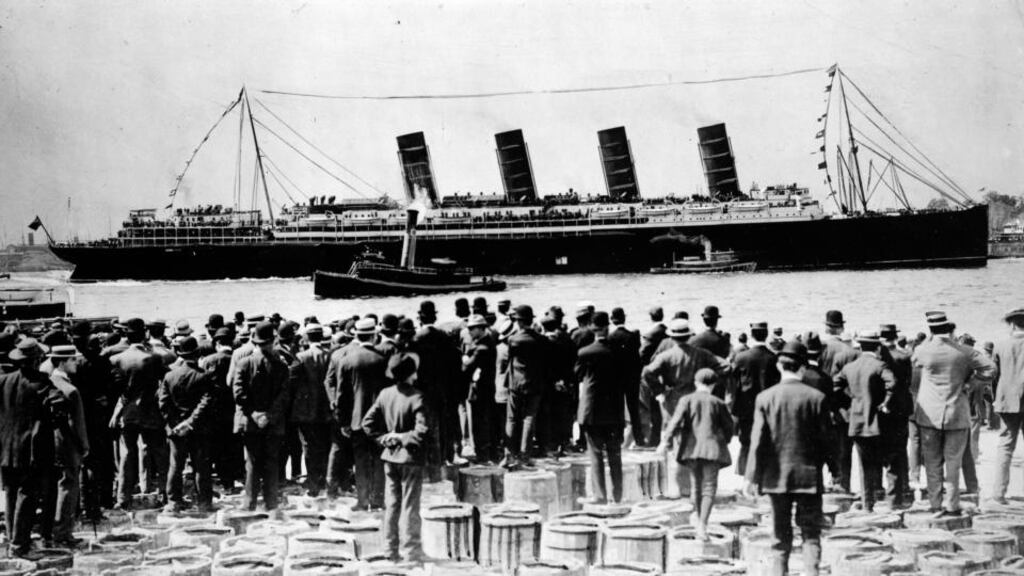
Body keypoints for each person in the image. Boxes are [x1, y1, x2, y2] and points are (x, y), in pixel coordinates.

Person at [745, 341, 834, 576]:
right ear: (803, 368)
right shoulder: (817, 398)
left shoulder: (765, 398)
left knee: (779, 536)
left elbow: (758, 442)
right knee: (811, 534)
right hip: (809, 477)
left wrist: (751, 477)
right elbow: (827, 441)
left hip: (776, 477)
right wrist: (835, 470)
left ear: (778, 365)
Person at [911, 311, 994, 516]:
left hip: (928, 413)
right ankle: (952, 504)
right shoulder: (964, 351)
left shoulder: (922, 350)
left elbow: (914, 368)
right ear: (949, 328)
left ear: (930, 329)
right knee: (953, 463)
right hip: (957, 412)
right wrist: (972, 382)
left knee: (932, 462)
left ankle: (934, 503)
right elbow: (990, 369)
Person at [362, 352, 431, 562]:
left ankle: (390, 550)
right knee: (410, 506)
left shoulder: (385, 394)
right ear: (411, 373)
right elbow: (422, 432)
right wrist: (401, 437)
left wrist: (384, 439)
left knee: (392, 505)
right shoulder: (418, 397)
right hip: (411, 459)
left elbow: (367, 423)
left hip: (390, 458)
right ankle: (411, 551)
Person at [0, 338, 66, 556]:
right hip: (31, 451)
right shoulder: (43, 384)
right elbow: (59, 407)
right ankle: (20, 546)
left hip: (6, 448)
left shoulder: (4, 381)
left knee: (10, 495)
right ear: (37, 360)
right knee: (27, 496)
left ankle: (12, 540)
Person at [658, 368, 733, 540]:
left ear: (696, 383)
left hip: (691, 450)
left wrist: (665, 442)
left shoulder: (686, 400)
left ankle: (698, 518)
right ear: (713, 384)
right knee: (709, 488)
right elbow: (729, 428)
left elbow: (674, 422)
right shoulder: (718, 402)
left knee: (696, 487)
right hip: (713, 450)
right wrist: (724, 441)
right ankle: (702, 525)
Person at [833, 331, 896, 512]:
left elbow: (835, 387)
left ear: (860, 347)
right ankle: (880, 496)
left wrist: (850, 403)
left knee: (864, 463)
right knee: (884, 459)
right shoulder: (880, 365)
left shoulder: (849, 367)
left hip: (857, 420)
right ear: (877, 348)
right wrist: (884, 403)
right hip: (877, 420)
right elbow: (892, 384)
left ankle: (868, 504)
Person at [329, 318, 387, 511]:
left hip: (356, 420)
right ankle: (378, 499)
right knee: (379, 460)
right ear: (373, 335)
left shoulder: (347, 360)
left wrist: (343, 421)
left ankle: (363, 500)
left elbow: (342, 395)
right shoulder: (382, 358)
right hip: (380, 420)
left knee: (360, 461)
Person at [109, 317, 168, 509]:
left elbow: (117, 390)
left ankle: (122, 498)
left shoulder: (117, 359)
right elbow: (165, 380)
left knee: (126, 455)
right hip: (150, 411)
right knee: (159, 453)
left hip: (128, 412)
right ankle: (166, 493)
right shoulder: (154, 358)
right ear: (145, 334)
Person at [232, 321, 290, 511]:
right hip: (273, 423)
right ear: (273, 340)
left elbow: (238, 393)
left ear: (254, 341)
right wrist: (269, 416)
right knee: (272, 463)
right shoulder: (281, 365)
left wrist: (255, 414)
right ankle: (271, 504)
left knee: (252, 463)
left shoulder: (243, 363)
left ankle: (249, 504)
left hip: (250, 422)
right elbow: (284, 396)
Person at [158, 336, 215, 512]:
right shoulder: (203, 376)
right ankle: (204, 503)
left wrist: (175, 425)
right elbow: (205, 403)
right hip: (198, 429)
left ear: (179, 354)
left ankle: (174, 502)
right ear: (197, 353)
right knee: (201, 467)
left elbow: (163, 404)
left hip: (175, 430)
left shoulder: (169, 376)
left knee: (175, 466)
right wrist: (189, 423)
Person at [576, 311, 628, 503]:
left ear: (592, 328)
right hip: (614, 410)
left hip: (591, 410)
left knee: (596, 453)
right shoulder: (620, 351)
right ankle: (618, 495)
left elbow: (578, 375)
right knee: (615, 453)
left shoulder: (584, 353)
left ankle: (600, 495)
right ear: (608, 327)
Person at [45, 344, 90, 548]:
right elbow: (76, 423)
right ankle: (63, 532)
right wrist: (84, 446)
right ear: (62, 362)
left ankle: (51, 530)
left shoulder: (46, 382)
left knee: (54, 486)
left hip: (49, 442)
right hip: (68, 444)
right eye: (73, 359)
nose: (76, 362)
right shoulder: (70, 390)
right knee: (69, 486)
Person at [731, 321, 780, 476]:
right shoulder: (773, 358)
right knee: (765, 440)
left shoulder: (741, 357)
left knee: (745, 441)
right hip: (767, 407)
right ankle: (762, 473)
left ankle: (744, 474)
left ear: (751, 335)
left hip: (745, 406)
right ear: (766, 335)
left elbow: (734, 384)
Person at [503, 304, 549, 468]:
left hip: (515, 383)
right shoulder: (541, 340)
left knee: (512, 418)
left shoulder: (513, 339)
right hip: (535, 383)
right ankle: (524, 454)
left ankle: (509, 454)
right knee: (529, 418)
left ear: (518, 322)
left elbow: (509, 359)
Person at [819, 310, 859, 492]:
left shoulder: (819, 347)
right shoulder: (849, 351)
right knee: (844, 452)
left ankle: (821, 486)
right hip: (843, 406)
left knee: (820, 449)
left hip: (820, 405)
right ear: (841, 328)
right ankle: (843, 487)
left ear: (826, 327)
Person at [289, 323, 331, 497]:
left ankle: (313, 482)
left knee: (309, 446)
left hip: (306, 410)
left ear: (306, 338)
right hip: (326, 408)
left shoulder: (300, 356)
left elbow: (292, 382)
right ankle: (324, 479)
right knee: (325, 444)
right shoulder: (331, 356)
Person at [991, 307, 1024, 504]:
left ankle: (998, 493)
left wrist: (997, 397)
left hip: (1007, 402)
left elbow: (993, 376)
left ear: (1012, 324)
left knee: (1005, 446)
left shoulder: (1001, 345)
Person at [879, 323, 913, 508]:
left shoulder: (880, 356)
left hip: (884, 408)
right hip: (902, 407)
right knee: (901, 449)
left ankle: (882, 489)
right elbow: (907, 382)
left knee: (884, 450)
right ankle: (904, 487)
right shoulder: (904, 356)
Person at [462, 314, 498, 463]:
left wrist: (464, 359)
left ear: (480, 328)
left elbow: (467, 367)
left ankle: (482, 453)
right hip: (487, 387)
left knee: (478, 422)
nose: (469, 331)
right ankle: (488, 451)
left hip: (479, 389)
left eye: (472, 328)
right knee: (486, 420)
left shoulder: (481, 347)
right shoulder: (487, 342)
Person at [607, 307, 643, 446]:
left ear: (612, 320)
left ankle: (618, 437)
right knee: (634, 408)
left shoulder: (610, 337)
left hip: (616, 378)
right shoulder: (633, 336)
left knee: (618, 408)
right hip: (631, 377)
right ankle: (638, 438)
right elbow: (637, 359)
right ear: (624, 318)